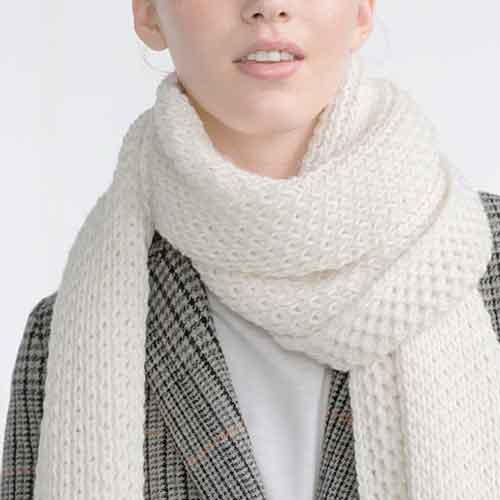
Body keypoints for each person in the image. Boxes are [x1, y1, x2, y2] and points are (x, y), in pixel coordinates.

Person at [2, 1, 500, 499]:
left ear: (362, 11)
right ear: (149, 13)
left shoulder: (483, 260)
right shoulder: (67, 339)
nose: (268, 6)